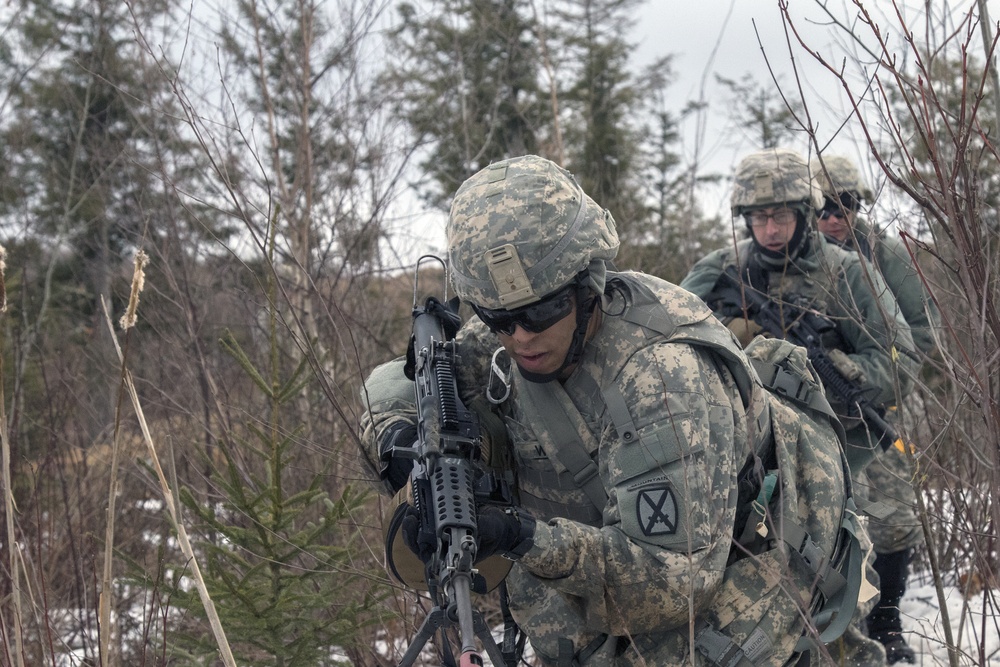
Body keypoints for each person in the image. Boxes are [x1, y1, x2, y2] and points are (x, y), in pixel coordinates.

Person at [359, 155, 861, 666]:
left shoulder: (660, 378)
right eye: (499, 318)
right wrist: (403, 439)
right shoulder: (510, 326)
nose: (521, 336)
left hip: (719, 591)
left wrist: (520, 535)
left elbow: (672, 585)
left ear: (587, 283)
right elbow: (391, 382)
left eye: (540, 311)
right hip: (601, 596)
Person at [680, 147, 921, 665]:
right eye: (760, 217)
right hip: (749, 445)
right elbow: (671, 345)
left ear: (804, 213)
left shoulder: (848, 273)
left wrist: (839, 369)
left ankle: (866, 636)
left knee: (845, 555)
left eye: (782, 215)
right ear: (744, 219)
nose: (771, 229)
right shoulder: (720, 271)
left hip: (839, 439)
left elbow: (901, 359)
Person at [812, 154, 940, 664]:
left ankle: (886, 618)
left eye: (845, 205)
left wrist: (874, 375)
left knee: (891, 515)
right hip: (808, 411)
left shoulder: (881, 254)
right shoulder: (798, 260)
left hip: (873, 409)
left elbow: (922, 330)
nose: (833, 217)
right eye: (822, 207)